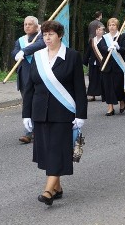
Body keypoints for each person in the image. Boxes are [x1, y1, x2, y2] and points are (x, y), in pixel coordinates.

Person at [21, 19, 87, 206]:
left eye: (51, 34)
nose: (47, 38)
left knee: (57, 150)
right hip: (40, 111)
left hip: (63, 112)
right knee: (46, 151)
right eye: (45, 35)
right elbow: (30, 88)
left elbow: (79, 88)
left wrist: (81, 114)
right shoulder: (38, 57)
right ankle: (57, 187)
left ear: (60, 35)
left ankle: (48, 191)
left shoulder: (72, 56)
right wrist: (26, 113)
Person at [10, 15, 47, 143]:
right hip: (24, 76)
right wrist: (17, 54)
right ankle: (29, 132)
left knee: (39, 103)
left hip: (39, 75)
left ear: (37, 26)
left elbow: (41, 44)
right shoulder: (20, 40)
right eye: (25, 24)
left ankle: (40, 130)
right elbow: (14, 51)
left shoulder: (42, 36)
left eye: (30, 24)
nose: (27, 26)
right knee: (27, 104)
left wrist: (24, 51)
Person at [98, 17, 125, 115]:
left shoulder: (122, 36)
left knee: (118, 86)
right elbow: (101, 47)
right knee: (108, 86)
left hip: (119, 66)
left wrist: (118, 47)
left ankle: (122, 101)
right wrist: (108, 48)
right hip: (107, 66)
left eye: (113, 25)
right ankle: (110, 108)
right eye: (110, 25)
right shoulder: (105, 37)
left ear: (117, 26)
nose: (111, 27)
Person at [83, 19, 104, 102]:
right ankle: (92, 95)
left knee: (101, 79)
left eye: (100, 30)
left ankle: (104, 94)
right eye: (97, 30)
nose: (98, 31)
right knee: (92, 79)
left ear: (103, 31)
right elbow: (88, 51)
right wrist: (84, 61)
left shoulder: (105, 40)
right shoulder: (92, 40)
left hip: (101, 63)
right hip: (92, 62)